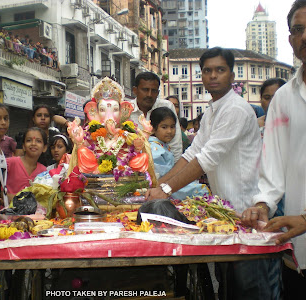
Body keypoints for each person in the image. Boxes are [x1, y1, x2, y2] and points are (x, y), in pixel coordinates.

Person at [146, 47, 274, 300]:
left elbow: (206, 159)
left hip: (248, 210)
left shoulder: (235, 109)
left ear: (232, 74)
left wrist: (166, 190)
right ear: (202, 75)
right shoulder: (213, 110)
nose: (213, 75)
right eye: (207, 70)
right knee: (228, 286)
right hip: (226, 213)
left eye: (220, 69)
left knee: (250, 289)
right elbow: (192, 152)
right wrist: (159, 184)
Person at [241, 1, 306, 298]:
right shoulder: (283, 98)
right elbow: (274, 168)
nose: (304, 36)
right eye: (298, 29)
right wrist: (263, 205)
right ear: (290, 38)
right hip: (297, 251)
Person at [128, 72, 182, 162]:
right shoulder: (126, 109)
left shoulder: (167, 106)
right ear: (135, 90)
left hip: (164, 167)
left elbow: (175, 144)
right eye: (145, 90)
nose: (149, 94)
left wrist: (174, 172)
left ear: (158, 92)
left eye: (154, 91)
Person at [6, 127, 47, 199]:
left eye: (38, 141)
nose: (33, 143)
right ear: (23, 146)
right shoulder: (10, 163)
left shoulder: (44, 172)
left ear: (44, 148)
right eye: (29, 140)